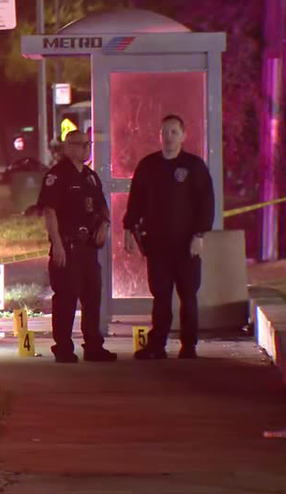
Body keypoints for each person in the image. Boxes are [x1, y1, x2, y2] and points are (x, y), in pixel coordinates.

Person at [123, 114, 216, 360]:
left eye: (174, 132)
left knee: (188, 296)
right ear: (159, 136)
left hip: (187, 245)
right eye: (165, 132)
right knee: (161, 296)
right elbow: (136, 201)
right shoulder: (148, 166)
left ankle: (189, 346)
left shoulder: (194, 166)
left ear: (184, 136)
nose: (169, 137)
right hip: (158, 245)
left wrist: (199, 235)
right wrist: (128, 229)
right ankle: (157, 345)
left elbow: (206, 204)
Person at [35, 130, 117, 363]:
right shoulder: (57, 175)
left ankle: (93, 346)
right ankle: (63, 348)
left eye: (88, 144)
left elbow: (102, 207)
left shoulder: (90, 176)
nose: (87, 148)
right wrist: (57, 245)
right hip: (67, 247)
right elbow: (50, 211)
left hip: (89, 249)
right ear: (69, 147)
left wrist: (105, 224)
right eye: (82, 145)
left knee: (92, 297)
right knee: (66, 299)